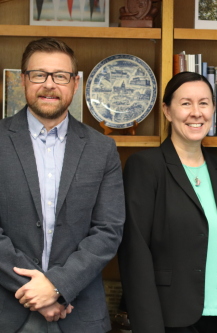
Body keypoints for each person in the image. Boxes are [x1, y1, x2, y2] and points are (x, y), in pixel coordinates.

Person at [0, 37, 125, 332]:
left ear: (75, 83)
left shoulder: (102, 149)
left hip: (79, 314)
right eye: (39, 75)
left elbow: (108, 230)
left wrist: (58, 286)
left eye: (60, 76)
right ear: (23, 81)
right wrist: (38, 292)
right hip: (6, 312)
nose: (49, 85)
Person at [118, 71, 217, 333]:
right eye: (185, 103)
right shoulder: (146, 167)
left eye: (204, 103)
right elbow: (134, 254)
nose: (196, 112)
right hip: (170, 320)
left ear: (214, 109)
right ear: (167, 111)